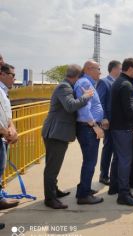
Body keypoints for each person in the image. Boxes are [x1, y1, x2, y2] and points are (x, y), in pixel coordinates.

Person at [42, 64, 94, 209]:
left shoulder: (66, 86)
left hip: (58, 133)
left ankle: (54, 191)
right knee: (52, 167)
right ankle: (50, 199)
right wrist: (86, 96)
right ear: (78, 76)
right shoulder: (64, 87)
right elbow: (70, 106)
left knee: (54, 165)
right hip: (55, 133)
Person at [109, 58, 133, 206]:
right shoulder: (126, 85)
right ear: (131, 69)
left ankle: (114, 187)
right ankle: (123, 194)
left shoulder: (119, 82)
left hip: (117, 127)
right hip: (123, 128)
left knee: (119, 159)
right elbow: (129, 109)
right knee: (125, 160)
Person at [74, 60, 104, 205]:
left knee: (89, 161)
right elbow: (84, 109)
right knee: (90, 162)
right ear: (88, 69)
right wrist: (95, 127)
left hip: (88, 127)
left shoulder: (87, 82)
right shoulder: (85, 83)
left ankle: (83, 189)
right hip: (88, 128)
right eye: (98, 69)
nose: (100, 72)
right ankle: (83, 195)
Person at [0, 63, 20, 230]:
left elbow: (6, 115)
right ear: (2, 74)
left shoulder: (4, 92)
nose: (14, 78)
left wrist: (12, 128)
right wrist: (7, 132)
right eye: (12, 75)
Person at [96, 60, 121, 185]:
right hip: (108, 122)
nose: (121, 71)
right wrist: (104, 118)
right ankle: (104, 175)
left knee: (115, 149)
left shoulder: (118, 82)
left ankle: (113, 175)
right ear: (114, 69)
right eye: (120, 68)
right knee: (108, 148)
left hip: (117, 122)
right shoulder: (104, 82)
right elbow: (100, 102)